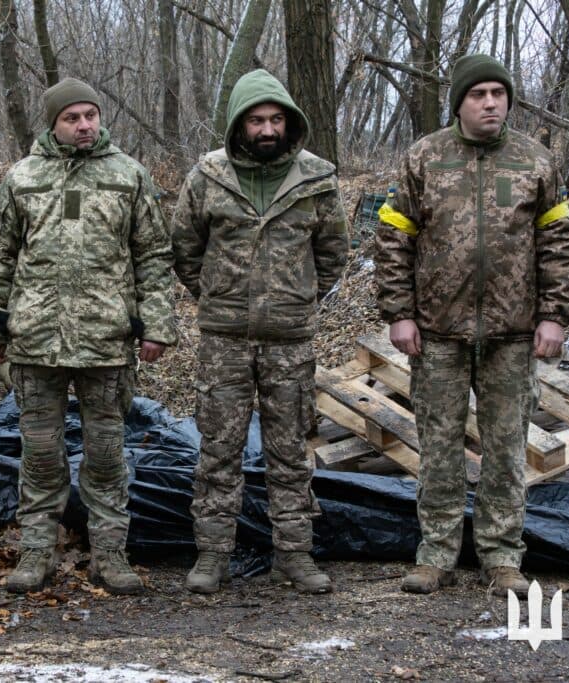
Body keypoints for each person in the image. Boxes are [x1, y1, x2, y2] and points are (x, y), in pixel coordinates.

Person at [375, 55, 569, 596]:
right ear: (459, 102)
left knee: (507, 448)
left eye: (498, 93)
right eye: (478, 94)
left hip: (512, 336)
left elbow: (558, 245)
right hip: (437, 333)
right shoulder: (425, 158)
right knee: (438, 447)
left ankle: (502, 555)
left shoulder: (534, 161)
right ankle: (436, 553)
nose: (490, 103)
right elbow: (395, 239)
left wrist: (555, 316)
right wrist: (398, 312)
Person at [0, 77, 176, 595]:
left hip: (107, 342)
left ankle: (110, 555)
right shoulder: (22, 178)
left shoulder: (128, 176)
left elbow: (154, 256)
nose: (85, 125)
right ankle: (37, 553)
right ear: (53, 123)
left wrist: (156, 324)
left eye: (91, 114)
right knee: (41, 453)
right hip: (35, 342)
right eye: (73, 117)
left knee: (107, 453)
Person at [172, 69, 350, 595]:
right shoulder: (208, 176)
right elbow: (184, 247)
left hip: (290, 339)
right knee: (219, 448)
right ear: (239, 125)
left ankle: (294, 555)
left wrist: (295, 297)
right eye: (257, 120)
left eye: (276, 119)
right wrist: (218, 295)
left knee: (291, 449)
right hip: (223, 338)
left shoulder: (317, 178)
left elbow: (334, 252)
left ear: (289, 124)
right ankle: (212, 556)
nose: (267, 128)